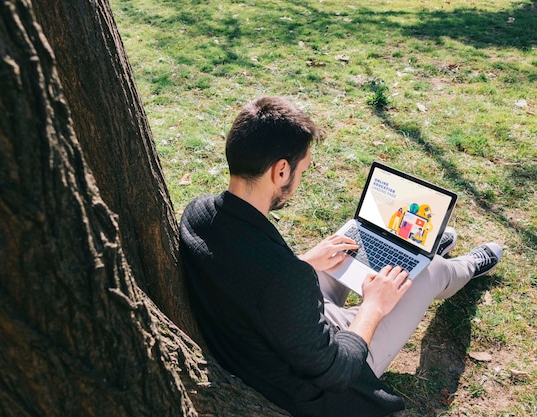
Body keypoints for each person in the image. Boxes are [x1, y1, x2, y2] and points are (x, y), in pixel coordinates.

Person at [179, 96, 503, 417]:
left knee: (342, 250)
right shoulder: (283, 279)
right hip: (323, 375)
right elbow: (338, 371)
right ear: (280, 171)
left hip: (276, 330)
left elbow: (253, 282)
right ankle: (463, 267)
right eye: (302, 169)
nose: (299, 179)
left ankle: (418, 244)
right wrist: (374, 306)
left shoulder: (198, 214)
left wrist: (304, 262)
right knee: (428, 271)